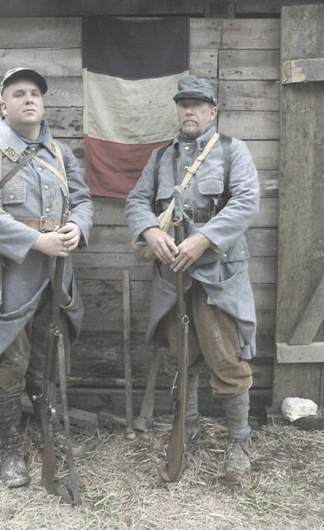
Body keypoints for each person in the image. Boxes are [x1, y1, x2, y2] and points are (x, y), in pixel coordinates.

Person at [0, 67, 93, 488]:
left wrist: (78, 228)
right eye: (19, 93)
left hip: (54, 275)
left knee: (46, 356)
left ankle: (48, 431)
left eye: (35, 93)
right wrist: (38, 241)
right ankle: (11, 448)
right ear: (4, 104)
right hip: (6, 274)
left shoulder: (59, 152)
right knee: (7, 363)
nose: (29, 99)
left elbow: (84, 199)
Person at [125, 75, 259, 479]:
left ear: (212, 112)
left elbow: (247, 202)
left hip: (218, 273)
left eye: (198, 105)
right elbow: (136, 201)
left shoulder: (233, 151)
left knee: (225, 357)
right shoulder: (161, 158)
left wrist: (203, 239)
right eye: (183, 104)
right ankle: (190, 427)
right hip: (172, 276)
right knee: (180, 356)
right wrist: (150, 231)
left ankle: (239, 441)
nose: (189, 111)